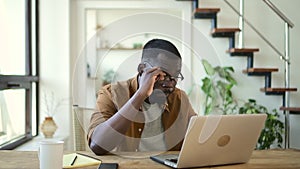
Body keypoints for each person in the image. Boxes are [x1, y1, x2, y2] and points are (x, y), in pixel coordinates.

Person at [87, 39, 197, 155]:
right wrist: (140, 95)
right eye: (163, 75)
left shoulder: (179, 98)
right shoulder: (111, 94)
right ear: (142, 69)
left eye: (175, 76)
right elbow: (97, 145)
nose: (170, 84)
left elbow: (197, 136)